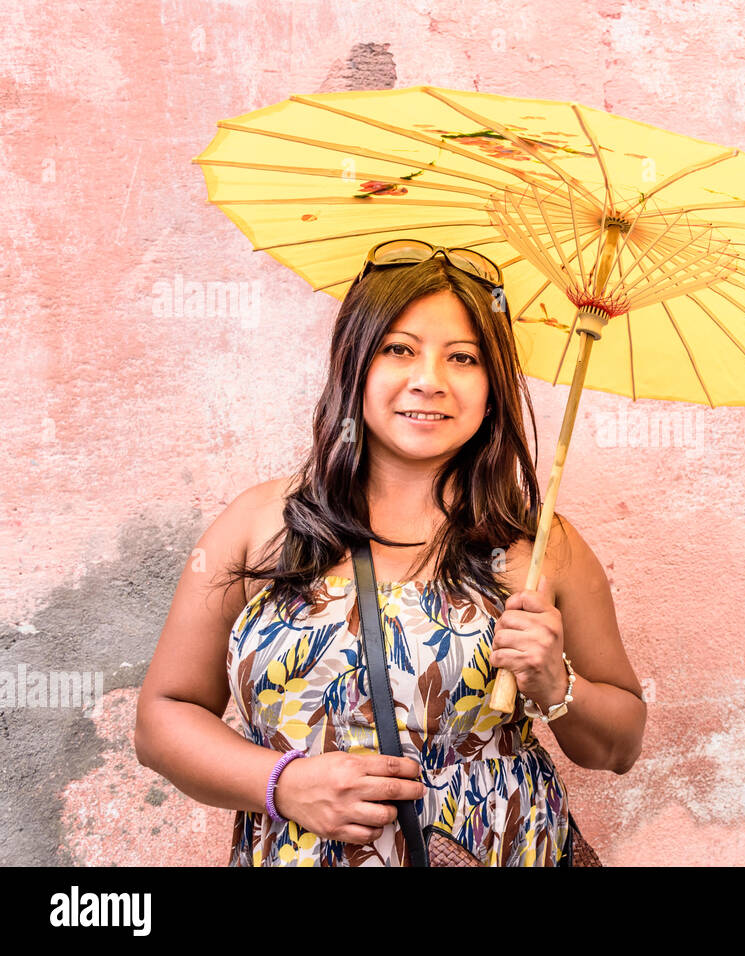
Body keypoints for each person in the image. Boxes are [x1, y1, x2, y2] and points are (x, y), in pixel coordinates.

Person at [134, 239, 646, 866]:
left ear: (493, 386)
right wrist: (285, 785)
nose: (428, 380)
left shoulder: (538, 547)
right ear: (355, 363)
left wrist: (556, 682)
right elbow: (162, 719)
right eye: (398, 349)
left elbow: (619, 745)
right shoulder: (262, 523)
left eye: (464, 358)